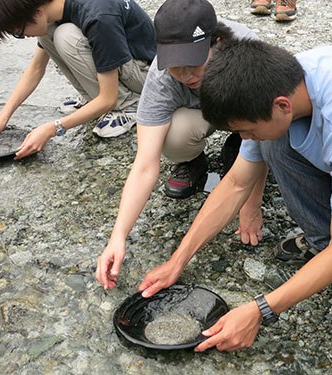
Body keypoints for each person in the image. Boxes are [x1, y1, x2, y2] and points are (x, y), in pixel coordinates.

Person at [136, 39, 332, 352]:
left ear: (282, 106)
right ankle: (325, 240)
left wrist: (258, 310)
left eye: (245, 130)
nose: (243, 138)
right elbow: (235, 183)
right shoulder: (274, 83)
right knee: (270, 141)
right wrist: (178, 259)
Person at [95, 0, 269, 290]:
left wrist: (252, 203)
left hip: (246, 113)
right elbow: (144, 165)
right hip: (200, 117)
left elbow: (269, 132)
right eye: (176, 66)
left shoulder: (245, 51)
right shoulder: (163, 76)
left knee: (257, 136)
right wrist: (118, 236)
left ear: (218, 42)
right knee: (172, 138)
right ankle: (193, 161)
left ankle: (240, 142)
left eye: (193, 63)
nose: (186, 75)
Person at [0, 0, 156, 159]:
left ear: (37, 11)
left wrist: (53, 128)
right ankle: (91, 98)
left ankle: (129, 106)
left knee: (66, 36)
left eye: (18, 32)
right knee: (49, 33)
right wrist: (2, 118)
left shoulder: (98, 17)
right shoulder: (54, 8)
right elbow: (36, 69)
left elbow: (108, 99)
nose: (23, 37)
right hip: (126, 65)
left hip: (147, 73)